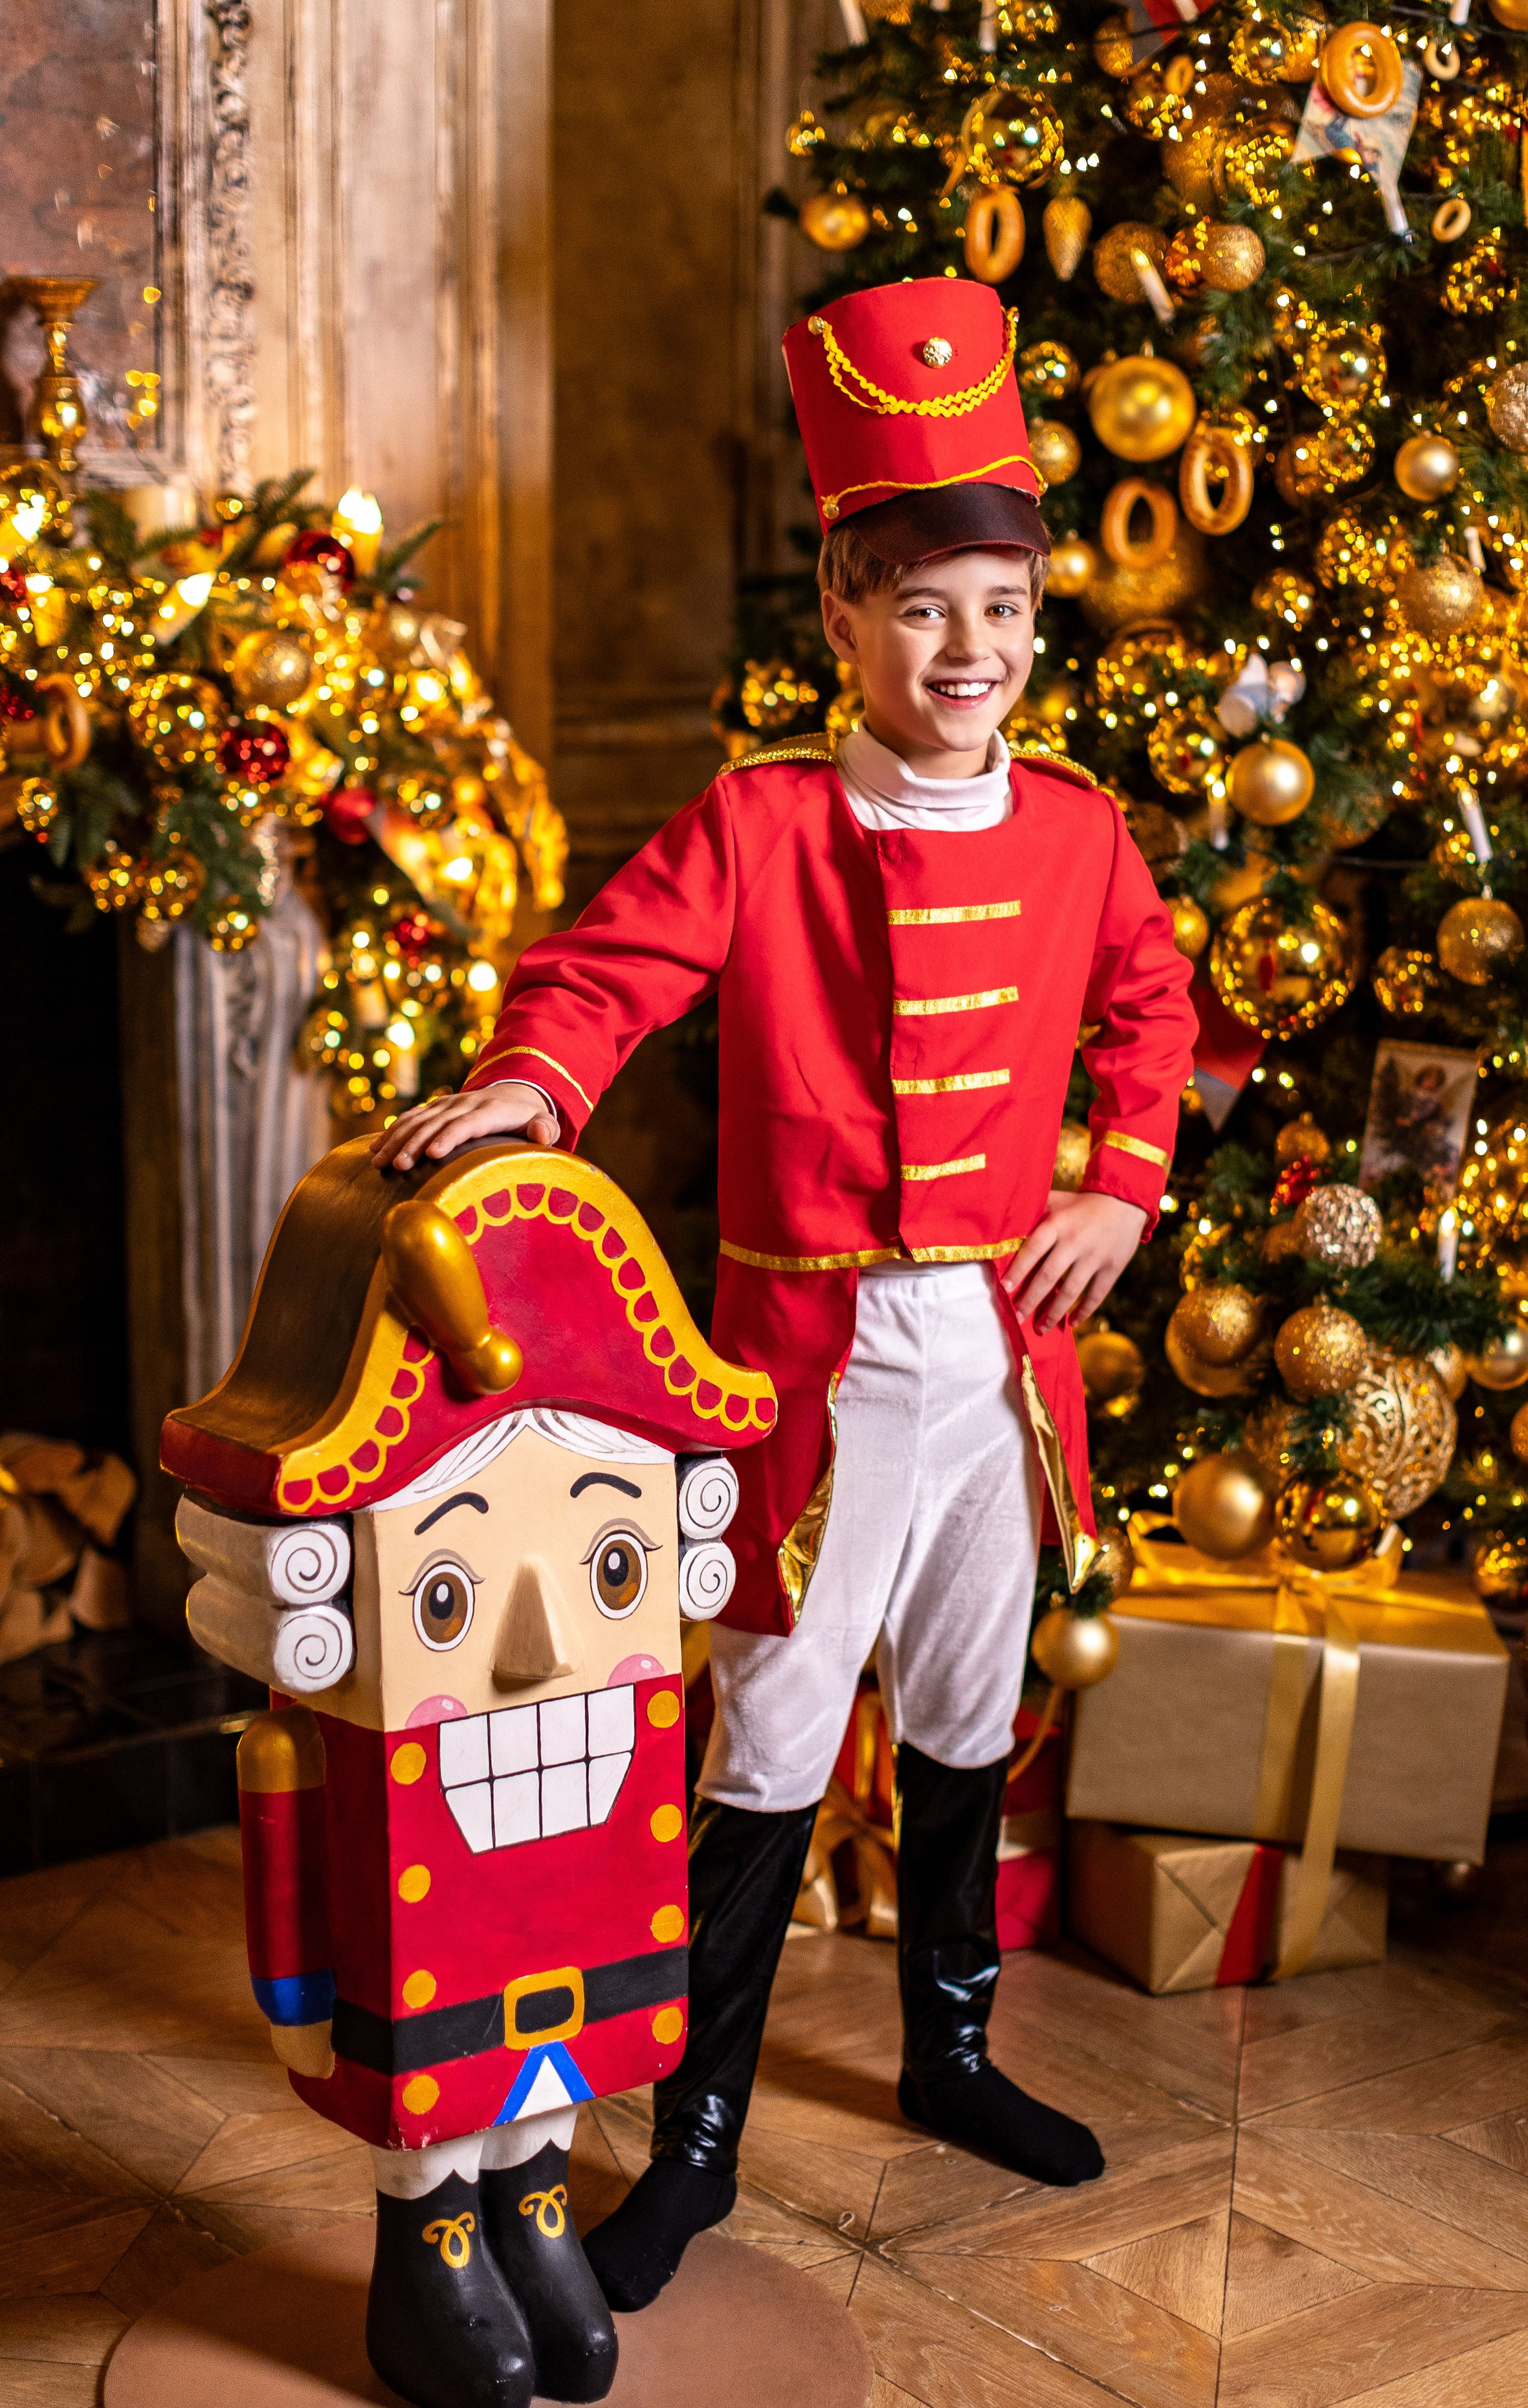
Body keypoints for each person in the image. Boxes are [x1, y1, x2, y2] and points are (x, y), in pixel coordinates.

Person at [371, 276, 1198, 2310]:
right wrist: (526, 1081)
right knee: (766, 1733)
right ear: (840, 613)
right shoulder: (765, 823)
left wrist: (1124, 1183)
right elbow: (604, 974)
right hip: (815, 1370)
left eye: (1001, 608)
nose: (970, 651)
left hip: (1004, 1360)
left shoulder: (1087, 833)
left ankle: (953, 2050)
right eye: (922, 605)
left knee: (967, 1709)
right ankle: (704, 2146)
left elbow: (1160, 1011)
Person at [163, 1137, 777, 2408]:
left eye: (615, 1565)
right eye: (445, 1591)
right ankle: (431, 2250)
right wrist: (300, 2009)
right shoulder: (324, 1734)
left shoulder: (632, 1717)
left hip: (564, 1966)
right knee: (438, 2110)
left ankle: (530, 2219)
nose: (537, 1647)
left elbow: (645, 1848)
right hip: (415, 1999)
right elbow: (289, 1861)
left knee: (540, 2106)